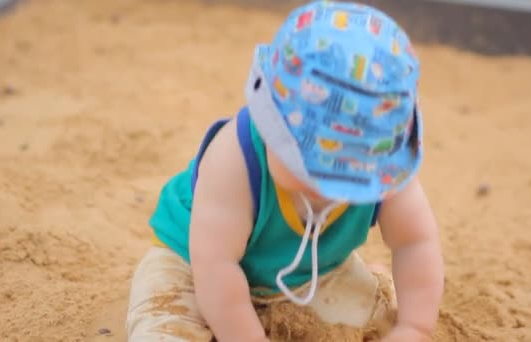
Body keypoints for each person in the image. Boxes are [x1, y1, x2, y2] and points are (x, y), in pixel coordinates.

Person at [126, 1, 444, 341]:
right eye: (312, 168)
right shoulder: (233, 161)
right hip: (193, 262)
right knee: (162, 328)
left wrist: (415, 327)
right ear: (269, 125)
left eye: (352, 180)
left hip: (308, 275)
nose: (329, 191)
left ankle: (370, 283)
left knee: (378, 319)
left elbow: (415, 243)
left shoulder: (384, 170)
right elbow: (216, 268)